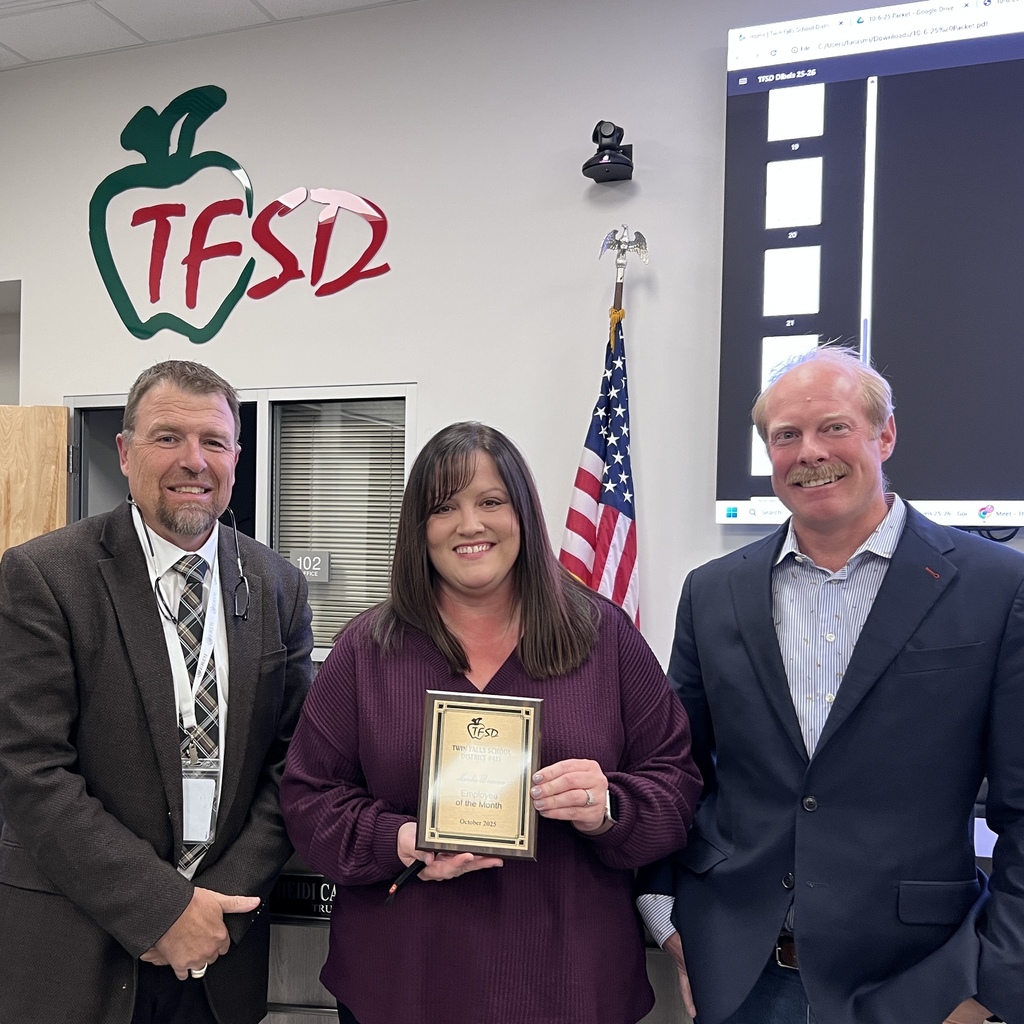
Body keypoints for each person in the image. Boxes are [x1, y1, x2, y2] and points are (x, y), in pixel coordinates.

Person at [638, 346, 1024, 1024]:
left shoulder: (995, 586)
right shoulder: (713, 592)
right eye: (786, 435)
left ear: (886, 435)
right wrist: (664, 909)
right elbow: (678, 769)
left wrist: (994, 983)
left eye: (834, 427)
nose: (810, 451)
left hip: (923, 983)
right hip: (740, 977)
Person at [280, 421, 701, 1024]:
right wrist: (401, 839)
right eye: (444, 506)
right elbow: (308, 800)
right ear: (418, 530)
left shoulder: (604, 637)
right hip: (404, 985)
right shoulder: (365, 650)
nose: (469, 524)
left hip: (571, 986)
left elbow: (677, 784)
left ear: (523, 514)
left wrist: (609, 804)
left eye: (490, 501)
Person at [0, 360, 313, 1024]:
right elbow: (30, 770)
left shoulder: (277, 585)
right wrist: (162, 908)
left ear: (237, 455)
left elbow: (296, 763)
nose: (193, 461)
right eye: (168, 437)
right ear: (124, 451)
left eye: (214, 441)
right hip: (81, 951)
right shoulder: (45, 576)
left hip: (219, 955)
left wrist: (214, 908)